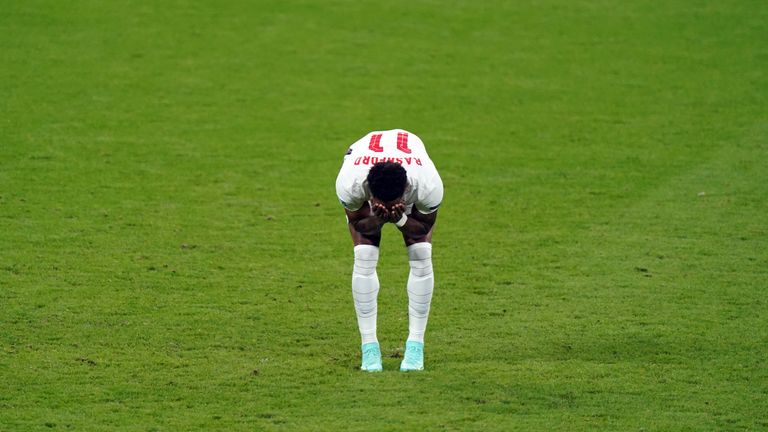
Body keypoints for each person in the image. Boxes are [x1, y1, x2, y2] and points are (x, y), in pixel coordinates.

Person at [335, 129, 443, 372]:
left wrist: (401, 220)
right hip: (362, 155)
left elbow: (422, 227)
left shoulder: (427, 184)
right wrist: (377, 220)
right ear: (369, 193)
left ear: (405, 191)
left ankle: (416, 346)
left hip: (411, 157)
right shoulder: (350, 182)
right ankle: (369, 349)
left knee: (421, 255)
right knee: (364, 256)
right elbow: (358, 224)